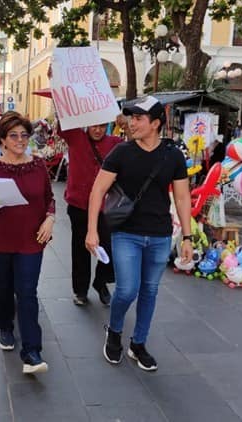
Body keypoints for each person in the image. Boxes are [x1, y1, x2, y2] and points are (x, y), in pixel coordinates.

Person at [85, 96, 193, 371]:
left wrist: (188, 238)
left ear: (155, 123)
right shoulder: (122, 153)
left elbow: (182, 197)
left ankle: (139, 343)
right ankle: (115, 331)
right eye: (131, 118)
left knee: (150, 291)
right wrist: (92, 231)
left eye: (138, 118)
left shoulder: (173, 156)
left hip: (159, 234)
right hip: (126, 233)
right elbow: (97, 190)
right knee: (127, 289)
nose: (132, 123)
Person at [0, 113, 55, 374]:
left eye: (24, 135)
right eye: (14, 136)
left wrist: (50, 218)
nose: (20, 140)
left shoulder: (39, 165)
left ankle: (32, 351)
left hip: (31, 240)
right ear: (3, 140)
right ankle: (5, 327)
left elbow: (49, 198)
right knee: (4, 288)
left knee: (28, 292)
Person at [57, 121, 122, 306]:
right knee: (80, 248)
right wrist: (63, 101)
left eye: (102, 126)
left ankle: (100, 282)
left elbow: (134, 147)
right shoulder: (76, 137)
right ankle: (80, 290)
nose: (98, 130)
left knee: (109, 246)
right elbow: (63, 125)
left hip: (105, 206)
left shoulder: (115, 143)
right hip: (79, 204)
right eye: (94, 125)